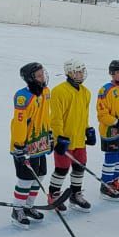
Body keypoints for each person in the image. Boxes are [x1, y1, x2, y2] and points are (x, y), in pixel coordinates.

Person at [9, 62, 53, 227]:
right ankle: (17, 209)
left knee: (39, 175)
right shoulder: (23, 97)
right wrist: (19, 146)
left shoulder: (46, 92)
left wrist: (50, 134)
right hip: (25, 146)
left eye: (43, 73)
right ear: (30, 79)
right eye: (39, 75)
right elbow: (19, 124)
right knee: (25, 179)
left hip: (40, 144)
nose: (43, 77)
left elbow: (46, 116)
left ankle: (28, 206)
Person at [48, 58, 94, 212]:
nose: (81, 75)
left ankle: (75, 194)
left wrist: (88, 129)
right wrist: (58, 137)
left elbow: (84, 115)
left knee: (79, 167)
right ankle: (53, 196)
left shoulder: (86, 92)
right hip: (64, 140)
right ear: (69, 73)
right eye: (77, 71)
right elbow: (56, 118)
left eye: (82, 71)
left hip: (79, 139)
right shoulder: (59, 91)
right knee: (61, 169)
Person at [95, 59, 119, 199]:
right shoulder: (105, 90)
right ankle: (105, 184)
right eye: (118, 72)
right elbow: (102, 114)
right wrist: (117, 122)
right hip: (109, 130)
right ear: (112, 74)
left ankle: (114, 180)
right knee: (111, 157)